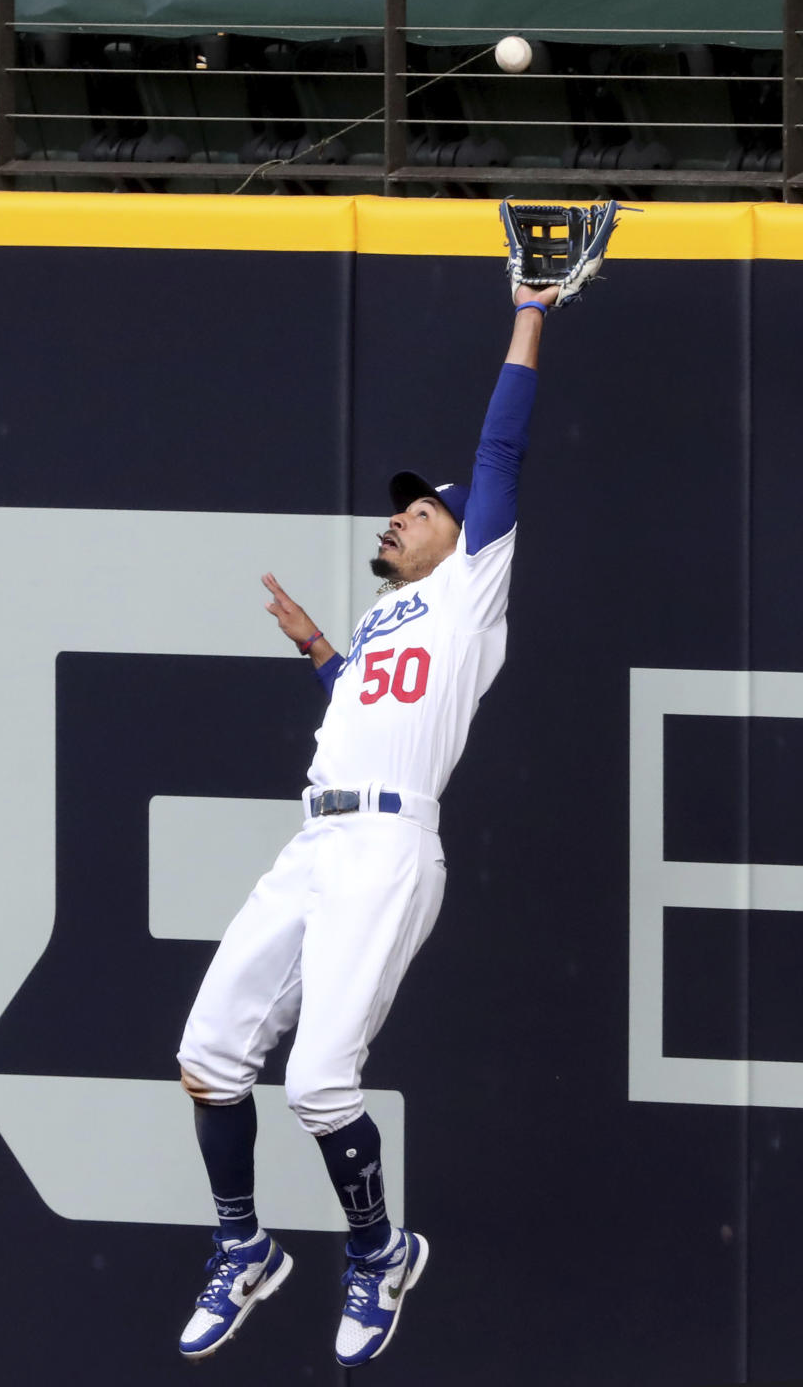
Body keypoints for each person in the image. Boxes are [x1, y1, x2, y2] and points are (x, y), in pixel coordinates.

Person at [177, 281, 560, 1367]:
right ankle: (244, 1247)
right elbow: (374, 713)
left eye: (418, 511)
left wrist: (530, 311)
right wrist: (323, 657)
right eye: (399, 510)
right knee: (207, 1054)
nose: (396, 517)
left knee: (318, 1085)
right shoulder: (391, 613)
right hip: (318, 840)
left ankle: (377, 1256)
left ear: (460, 537)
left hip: (390, 850)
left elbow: (498, 455)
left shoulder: (471, 586)